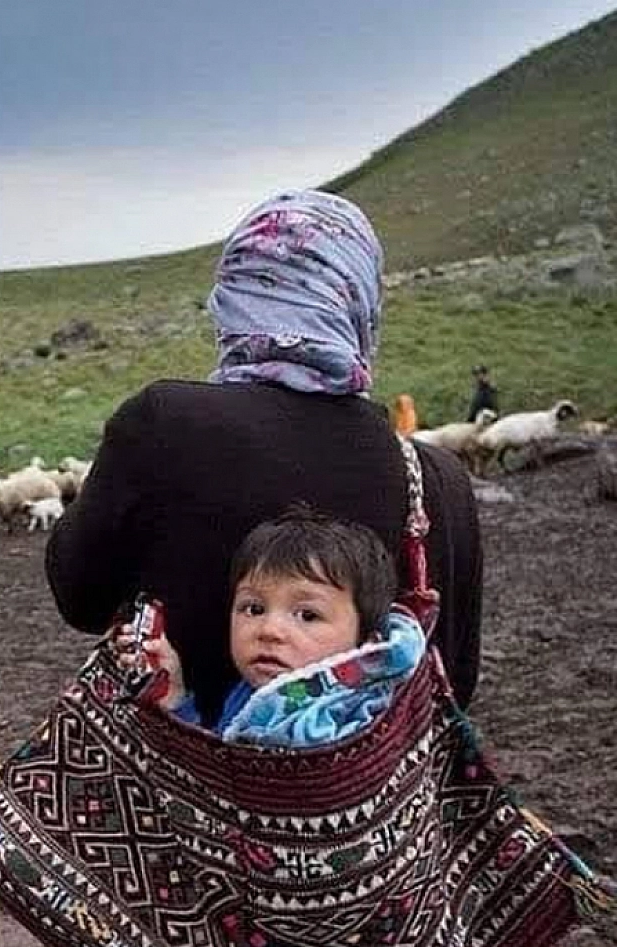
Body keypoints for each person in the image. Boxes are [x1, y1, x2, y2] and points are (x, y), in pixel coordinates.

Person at [45, 189, 483, 725]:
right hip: (376, 803)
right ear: (359, 301)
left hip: (179, 797)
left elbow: (81, 597)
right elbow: (455, 680)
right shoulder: (439, 480)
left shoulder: (166, 424)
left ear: (231, 297)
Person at [123, 506, 427, 745]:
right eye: (253, 609)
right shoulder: (254, 693)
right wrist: (175, 695)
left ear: (366, 645)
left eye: (307, 616)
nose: (269, 631)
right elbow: (213, 763)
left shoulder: (351, 714)